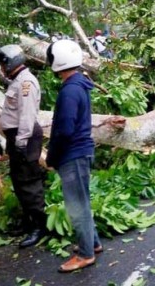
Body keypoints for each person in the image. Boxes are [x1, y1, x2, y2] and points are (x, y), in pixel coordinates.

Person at [45, 40, 102, 273]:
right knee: (82, 202)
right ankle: (93, 243)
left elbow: (65, 129)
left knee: (76, 206)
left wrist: (52, 157)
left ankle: (86, 254)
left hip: (73, 154)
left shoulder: (70, 91)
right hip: (80, 152)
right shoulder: (79, 84)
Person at [0, 45, 46, 248]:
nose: (2, 69)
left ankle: (40, 226)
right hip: (19, 137)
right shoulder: (18, 82)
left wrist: (20, 142)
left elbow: (27, 115)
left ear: (11, 62)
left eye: (3, 64)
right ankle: (29, 222)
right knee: (20, 181)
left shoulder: (26, 83)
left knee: (29, 181)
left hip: (25, 137)